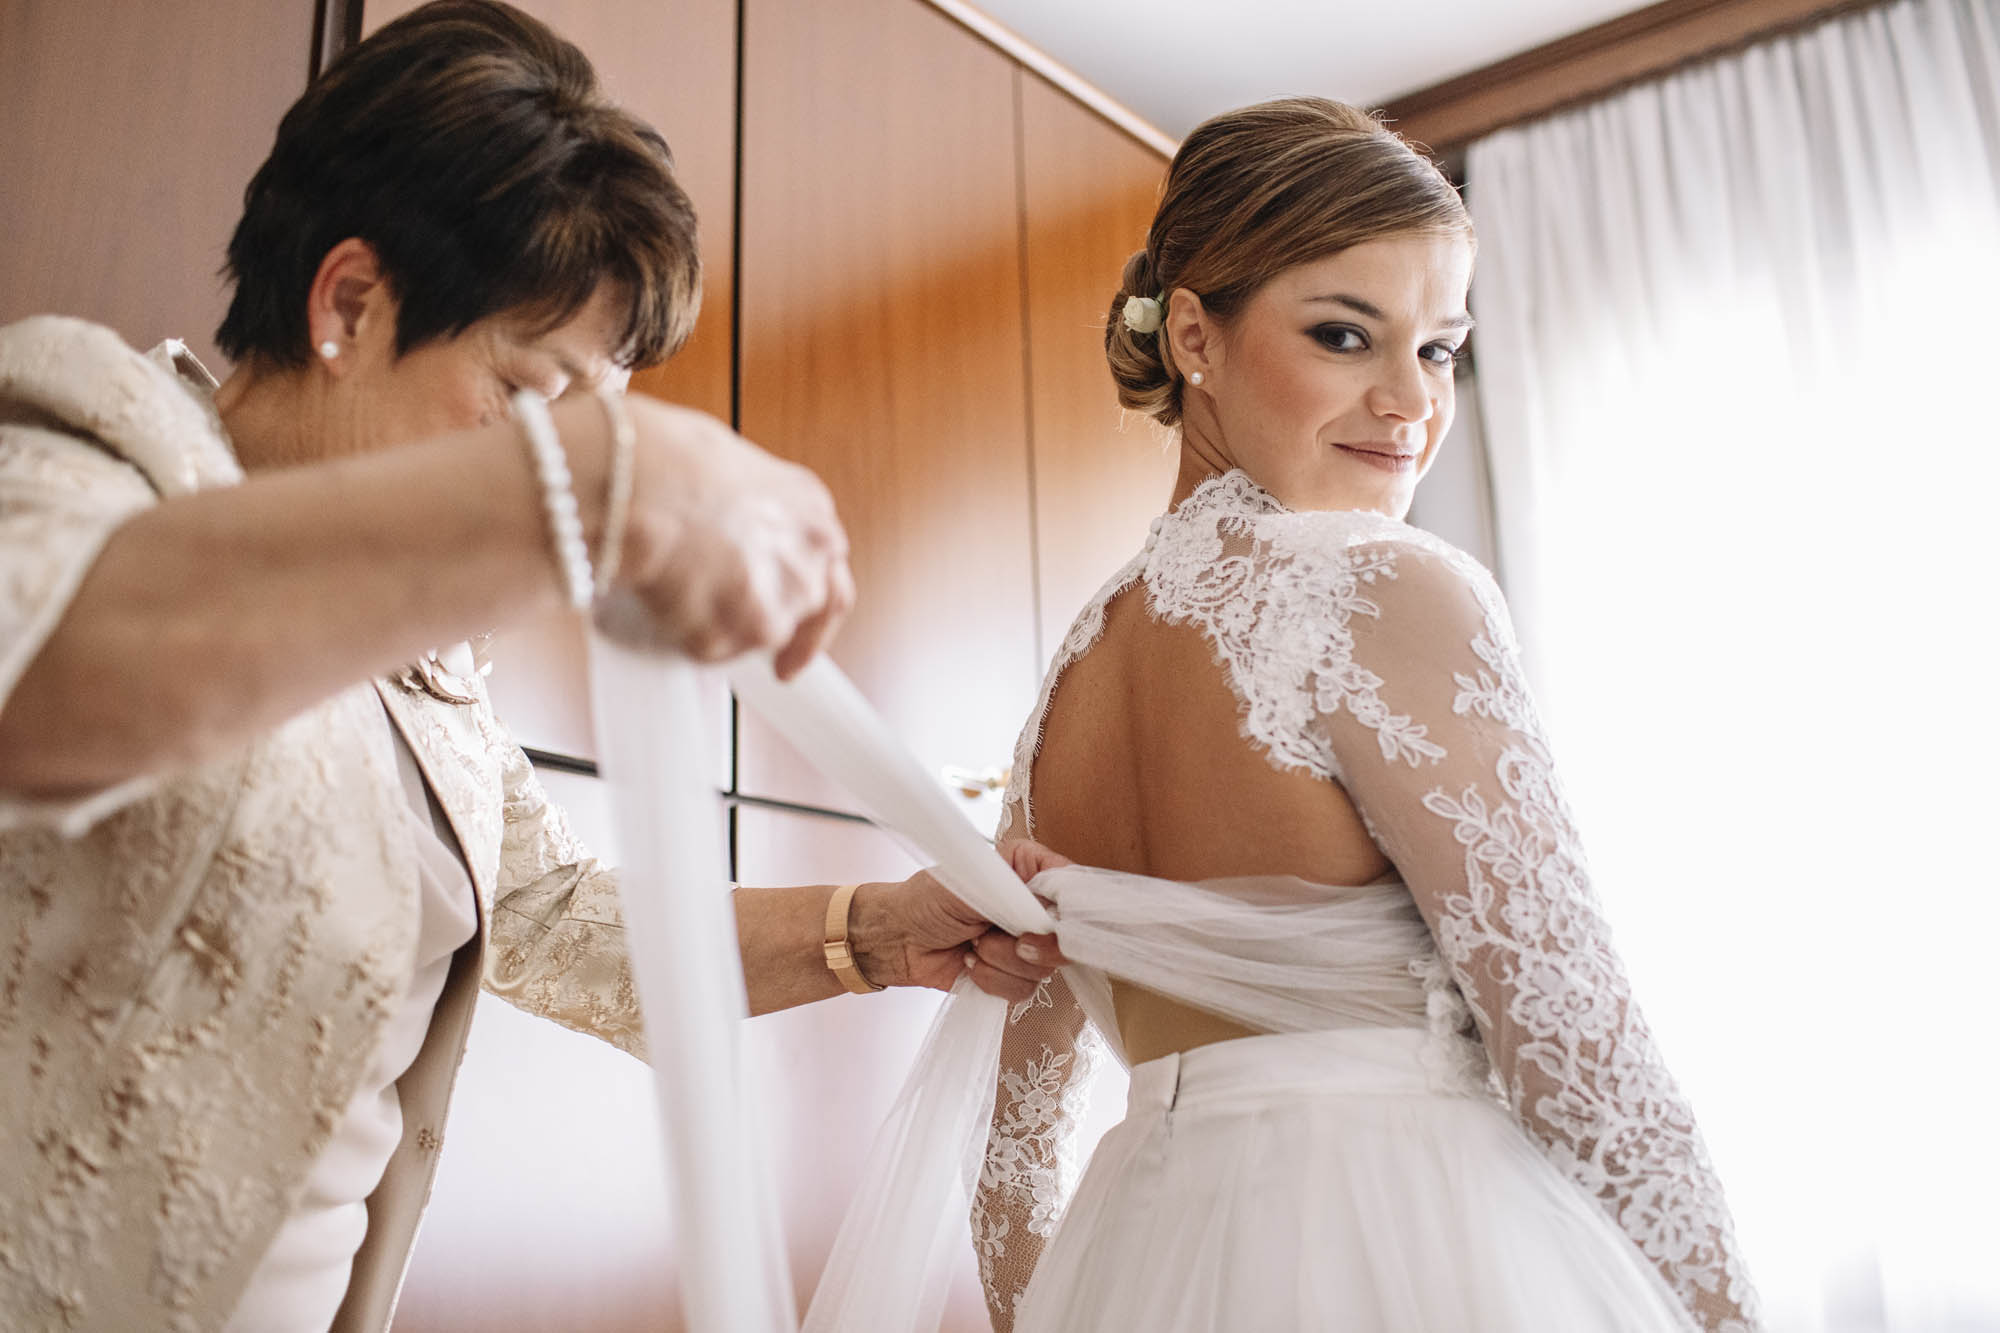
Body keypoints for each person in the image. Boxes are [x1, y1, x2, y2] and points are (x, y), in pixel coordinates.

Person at [0, 4, 1057, 1330]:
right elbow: (37, 671)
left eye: (588, 416)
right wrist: (604, 479)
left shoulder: (427, 652)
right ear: (350, 303)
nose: (547, 454)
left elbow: (559, 916)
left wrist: (877, 933)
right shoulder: (90, 445)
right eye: (526, 391)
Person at [971, 99, 1762, 1332]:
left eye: (1438, 349)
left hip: (1135, 1256)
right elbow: (1572, 1046)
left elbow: (1013, 1165)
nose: (1410, 405)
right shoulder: (1383, 583)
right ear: (1193, 333)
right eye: (1345, 335)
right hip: (1410, 1232)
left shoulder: (1067, 683)